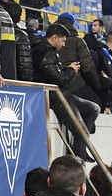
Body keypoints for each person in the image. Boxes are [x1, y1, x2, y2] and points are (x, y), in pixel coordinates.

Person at [30, 24, 100, 161]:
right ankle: (78, 167)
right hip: (56, 97)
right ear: (54, 38)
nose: (64, 44)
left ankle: (78, 146)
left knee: (94, 108)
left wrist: (66, 69)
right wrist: (72, 70)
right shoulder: (45, 51)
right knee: (82, 132)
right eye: (63, 40)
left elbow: (54, 73)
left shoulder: (49, 51)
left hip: (63, 94)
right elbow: (59, 79)